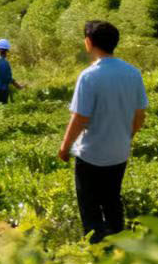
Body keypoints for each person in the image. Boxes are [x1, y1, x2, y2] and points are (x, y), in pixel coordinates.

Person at [59, 20, 147, 243]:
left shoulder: (89, 76)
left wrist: (64, 147)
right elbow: (139, 116)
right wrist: (125, 138)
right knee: (112, 200)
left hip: (92, 155)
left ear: (88, 42)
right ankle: (120, 244)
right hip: (119, 153)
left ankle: (96, 251)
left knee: (90, 208)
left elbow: (80, 118)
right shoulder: (133, 73)